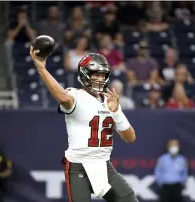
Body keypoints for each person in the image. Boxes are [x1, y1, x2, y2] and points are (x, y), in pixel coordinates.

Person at [29, 47, 138, 202]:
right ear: (85, 74)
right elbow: (63, 98)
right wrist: (41, 68)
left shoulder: (110, 101)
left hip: (102, 165)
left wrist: (116, 113)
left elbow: (130, 138)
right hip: (78, 165)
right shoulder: (75, 95)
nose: (100, 79)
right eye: (96, 74)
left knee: (128, 198)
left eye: (103, 75)